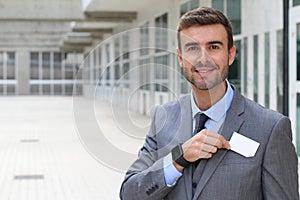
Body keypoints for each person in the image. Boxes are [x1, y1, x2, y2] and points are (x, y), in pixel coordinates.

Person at [119, 6, 299, 200]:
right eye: (192, 48)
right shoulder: (163, 117)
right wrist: (178, 158)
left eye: (213, 47)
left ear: (230, 55)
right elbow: (130, 193)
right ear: (181, 58)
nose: (203, 59)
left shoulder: (270, 128)